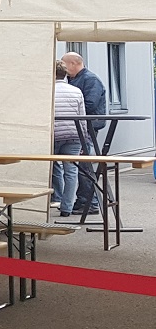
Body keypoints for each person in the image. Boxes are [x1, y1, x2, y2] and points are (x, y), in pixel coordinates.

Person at [61, 52, 106, 215]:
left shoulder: (90, 80)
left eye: (64, 64)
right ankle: (84, 201)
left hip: (88, 128)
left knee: (83, 166)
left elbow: (90, 105)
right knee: (81, 165)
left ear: (73, 63)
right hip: (81, 127)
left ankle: (88, 202)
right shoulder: (77, 79)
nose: (63, 68)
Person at [52, 61, 87, 218]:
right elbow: (82, 117)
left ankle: (56, 198)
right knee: (71, 171)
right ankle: (67, 207)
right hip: (73, 135)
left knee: (52, 166)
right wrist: (83, 139)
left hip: (53, 135)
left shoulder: (48, 91)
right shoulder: (76, 91)